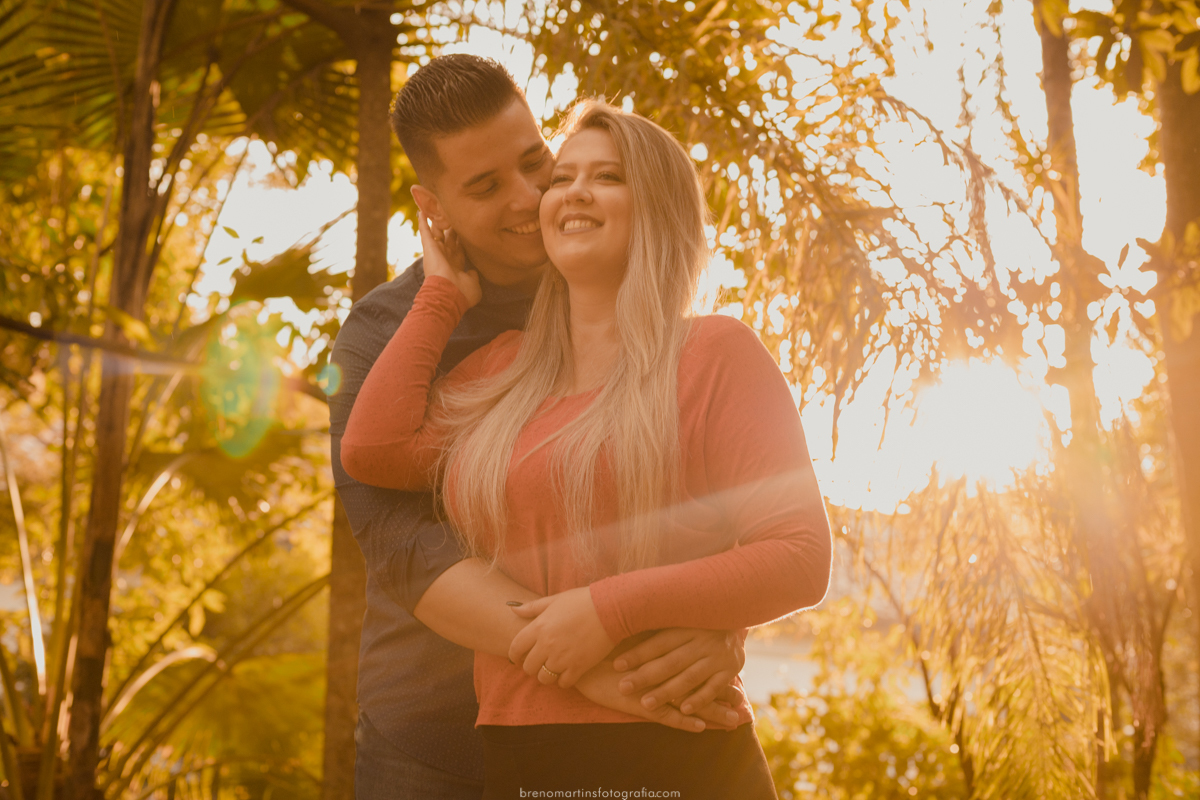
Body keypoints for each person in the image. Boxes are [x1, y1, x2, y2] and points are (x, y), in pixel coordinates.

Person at [340, 98, 832, 798]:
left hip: (675, 752)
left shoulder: (716, 353)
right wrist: (442, 294)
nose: (569, 191)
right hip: (521, 758)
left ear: (657, 208)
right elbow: (375, 452)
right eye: (564, 176)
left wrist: (610, 610)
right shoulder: (498, 374)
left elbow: (799, 556)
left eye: (606, 177)